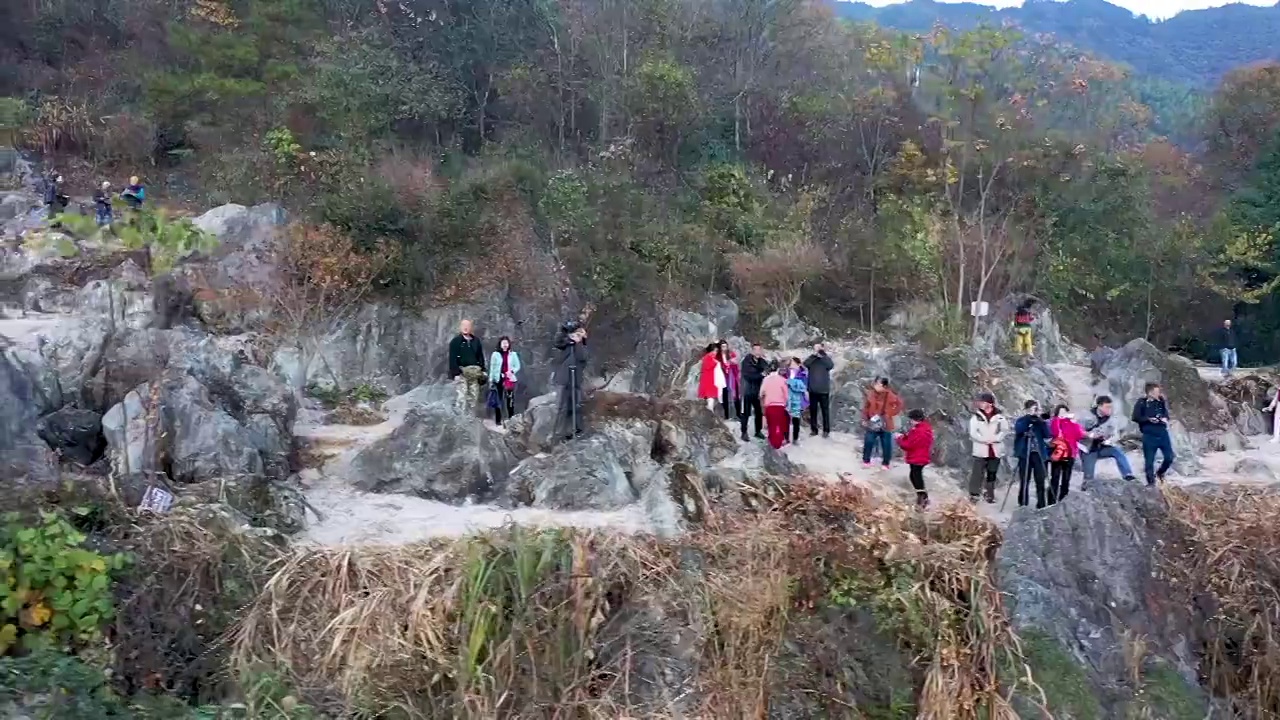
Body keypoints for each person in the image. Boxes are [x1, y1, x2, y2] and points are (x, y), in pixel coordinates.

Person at [1079, 395, 1137, 487]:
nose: (1110, 409)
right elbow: (1077, 431)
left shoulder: (1111, 419)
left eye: (1110, 407)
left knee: (1117, 451)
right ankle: (1086, 488)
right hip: (1088, 449)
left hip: (1102, 446)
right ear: (1100, 406)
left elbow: (1115, 434)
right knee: (1088, 479)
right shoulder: (1087, 416)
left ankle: (1127, 474)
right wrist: (1089, 435)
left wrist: (1109, 439)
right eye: (1107, 407)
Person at [968, 393, 1009, 504]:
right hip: (981, 449)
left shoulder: (1000, 417)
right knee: (977, 473)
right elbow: (973, 433)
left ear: (990, 404)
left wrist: (996, 438)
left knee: (992, 473)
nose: (981, 404)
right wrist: (984, 439)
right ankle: (974, 494)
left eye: (983, 402)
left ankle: (989, 493)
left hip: (995, 448)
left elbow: (1004, 430)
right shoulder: (976, 417)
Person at [1132, 382, 1175, 486]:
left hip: (1162, 432)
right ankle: (1151, 482)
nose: (1158, 394)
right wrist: (1148, 419)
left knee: (1169, 457)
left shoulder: (1160, 401)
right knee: (1149, 461)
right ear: (1150, 393)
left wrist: (1164, 418)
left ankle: (1160, 473)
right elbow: (1135, 417)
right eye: (1156, 392)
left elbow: (1166, 414)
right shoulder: (1141, 402)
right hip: (1149, 434)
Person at [554, 322, 589, 439]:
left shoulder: (582, 346)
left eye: (579, 333)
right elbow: (558, 342)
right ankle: (557, 434)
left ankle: (575, 431)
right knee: (561, 407)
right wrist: (566, 333)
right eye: (576, 333)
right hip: (563, 379)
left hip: (576, 379)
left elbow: (582, 358)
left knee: (575, 405)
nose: (577, 335)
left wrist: (580, 341)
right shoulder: (565, 343)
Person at [1013, 400, 1051, 509]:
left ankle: (1041, 504)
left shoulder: (1040, 422)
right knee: (1024, 480)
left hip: (1038, 454)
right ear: (1026, 410)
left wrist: (1041, 420)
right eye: (1032, 409)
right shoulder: (1021, 421)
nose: (1035, 411)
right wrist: (1028, 417)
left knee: (1040, 480)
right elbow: (1019, 430)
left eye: (1036, 409)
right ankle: (1023, 503)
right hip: (1025, 454)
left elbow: (1048, 434)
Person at [897, 408, 934, 510]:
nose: (910, 422)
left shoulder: (918, 431)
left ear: (915, 419)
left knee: (915, 476)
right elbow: (912, 439)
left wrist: (899, 439)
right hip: (922, 456)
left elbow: (908, 445)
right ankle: (922, 496)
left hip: (917, 457)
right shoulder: (925, 428)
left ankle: (922, 497)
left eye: (911, 420)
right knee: (915, 476)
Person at [1048, 405, 1086, 504]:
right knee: (1055, 478)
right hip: (1058, 452)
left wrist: (1074, 423)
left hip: (1070, 453)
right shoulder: (1054, 421)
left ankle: (1063, 500)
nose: (1063, 414)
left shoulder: (1071, 423)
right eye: (1060, 412)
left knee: (1066, 478)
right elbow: (1055, 432)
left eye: (1064, 412)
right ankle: (1051, 501)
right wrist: (1058, 419)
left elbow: (1079, 435)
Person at [861, 377, 902, 469]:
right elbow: (866, 407)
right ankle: (866, 460)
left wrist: (890, 413)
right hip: (872, 421)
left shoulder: (890, 395)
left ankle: (885, 463)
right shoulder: (871, 394)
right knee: (869, 441)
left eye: (878, 384)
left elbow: (899, 405)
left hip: (885, 422)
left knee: (886, 444)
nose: (875, 385)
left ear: (884, 386)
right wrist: (864, 419)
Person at [448, 319, 486, 414]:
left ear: (471, 327)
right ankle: (460, 418)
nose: (465, 327)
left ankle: (470, 418)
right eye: (463, 325)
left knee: (474, 396)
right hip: (462, 372)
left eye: (468, 325)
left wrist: (483, 370)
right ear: (460, 327)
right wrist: (455, 373)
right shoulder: (455, 341)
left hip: (475, 372)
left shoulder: (476, 341)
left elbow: (480, 356)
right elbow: (452, 358)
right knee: (462, 396)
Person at [487, 336, 521, 427]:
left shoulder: (513, 354)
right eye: (503, 343)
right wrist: (491, 380)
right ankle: (498, 420)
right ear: (500, 344)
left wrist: (511, 371)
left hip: (509, 378)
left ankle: (511, 419)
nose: (505, 345)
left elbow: (517, 366)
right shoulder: (495, 354)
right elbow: (492, 367)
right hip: (498, 379)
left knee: (510, 399)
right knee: (498, 399)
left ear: (509, 344)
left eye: (506, 343)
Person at [804, 342, 835, 437]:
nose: (817, 350)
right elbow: (805, 364)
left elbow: (830, 365)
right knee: (813, 411)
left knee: (825, 411)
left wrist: (823, 355)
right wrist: (814, 355)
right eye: (815, 348)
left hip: (823, 390)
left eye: (819, 348)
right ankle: (814, 429)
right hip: (813, 390)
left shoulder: (826, 359)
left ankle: (826, 430)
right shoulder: (812, 359)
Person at [739, 343, 768, 441]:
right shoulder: (746, 361)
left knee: (759, 412)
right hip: (747, 391)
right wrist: (761, 374)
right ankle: (744, 432)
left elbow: (767, 369)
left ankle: (758, 431)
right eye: (755, 350)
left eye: (759, 350)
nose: (758, 352)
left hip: (757, 391)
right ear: (752, 351)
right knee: (745, 413)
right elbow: (749, 376)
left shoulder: (761, 361)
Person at [760, 365, 790, 450]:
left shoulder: (765, 380)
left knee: (771, 427)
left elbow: (761, 393)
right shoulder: (783, 380)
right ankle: (777, 445)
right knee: (778, 426)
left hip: (769, 407)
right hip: (779, 406)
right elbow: (787, 396)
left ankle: (771, 444)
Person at [785, 357, 808, 445]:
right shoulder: (787, 372)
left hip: (798, 399)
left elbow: (803, 386)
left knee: (796, 419)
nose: (792, 365)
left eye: (793, 363)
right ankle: (786, 437)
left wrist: (791, 381)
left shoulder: (803, 374)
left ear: (798, 364)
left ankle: (795, 438)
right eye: (791, 363)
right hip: (787, 398)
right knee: (786, 419)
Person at [697, 343, 726, 413]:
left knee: (711, 397)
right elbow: (707, 366)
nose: (715, 353)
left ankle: (710, 411)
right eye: (714, 351)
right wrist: (715, 363)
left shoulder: (711, 358)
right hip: (708, 380)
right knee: (710, 397)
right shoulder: (707, 357)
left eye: (716, 351)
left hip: (711, 380)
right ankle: (710, 412)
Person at [718, 340, 741, 422]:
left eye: (725, 346)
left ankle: (738, 414)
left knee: (735, 395)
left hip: (732, 377)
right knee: (724, 397)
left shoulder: (731, 354)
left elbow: (736, 362)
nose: (724, 348)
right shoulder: (719, 357)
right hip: (723, 378)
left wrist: (731, 362)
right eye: (722, 347)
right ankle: (726, 415)